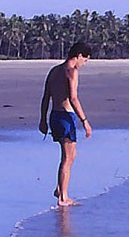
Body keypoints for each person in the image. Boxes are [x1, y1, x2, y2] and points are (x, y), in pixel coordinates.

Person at [39, 42, 92, 206]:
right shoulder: (71, 71)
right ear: (79, 56)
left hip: (54, 116)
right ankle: (63, 198)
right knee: (67, 158)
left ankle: (59, 188)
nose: (84, 64)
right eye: (85, 61)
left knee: (72, 154)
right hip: (65, 117)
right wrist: (85, 121)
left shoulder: (54, 71)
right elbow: (73, 98)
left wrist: (43, 119)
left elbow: (46, 97)